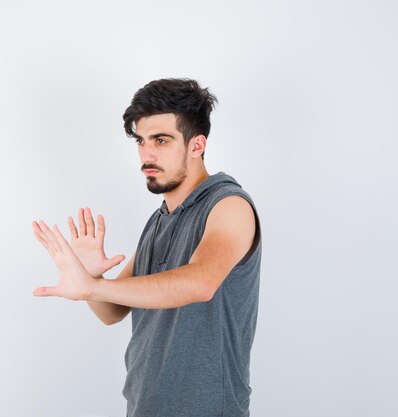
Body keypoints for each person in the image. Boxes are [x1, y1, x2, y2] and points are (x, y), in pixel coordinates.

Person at [32, 78, 262, 417]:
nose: (147, 155)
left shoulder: (228, 205)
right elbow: (111, 311)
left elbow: (201, 283)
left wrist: (94, 285)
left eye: (161, 140)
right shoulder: (159, 221)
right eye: (141, 141)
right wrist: (93, 278)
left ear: (197, 145)